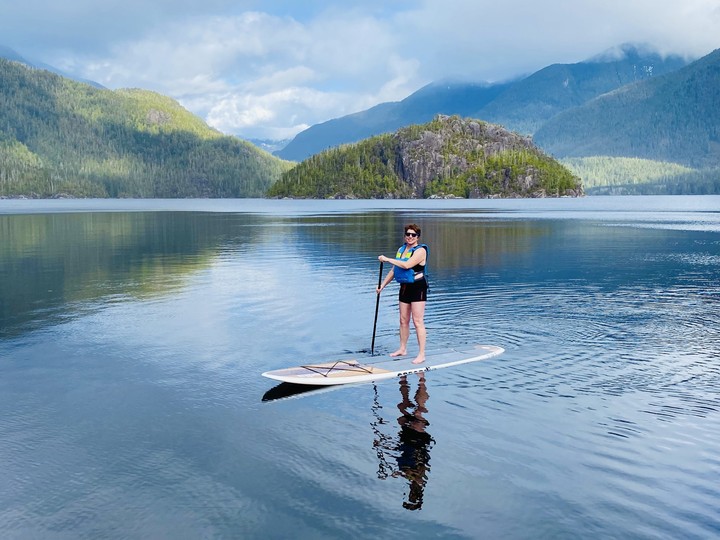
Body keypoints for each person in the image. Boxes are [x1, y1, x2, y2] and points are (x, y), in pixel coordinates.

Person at [377, 224, 428, 364]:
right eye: (408, 234)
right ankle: (402, 349)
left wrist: (387, 259)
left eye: (413, 235)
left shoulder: (420, 251)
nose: (410, 237)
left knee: (417, 321)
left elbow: (407, 265)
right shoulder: (401, 249)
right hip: (405, 287)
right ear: (404, 235)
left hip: (418, 287)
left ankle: (421, 354)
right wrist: (382, 286)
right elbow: (395, 270)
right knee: (403, 320)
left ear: (417, 237)